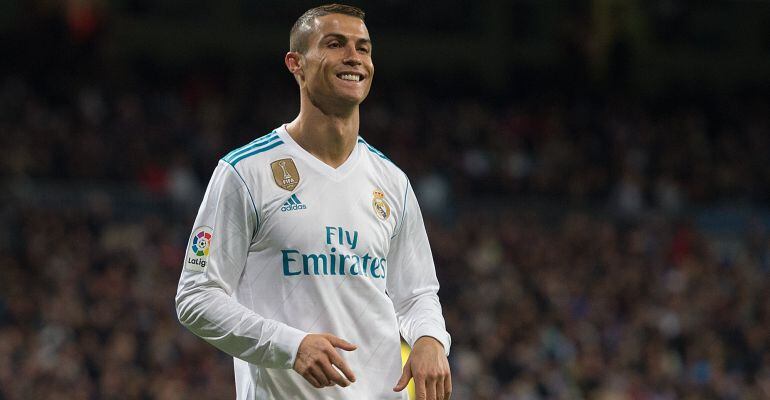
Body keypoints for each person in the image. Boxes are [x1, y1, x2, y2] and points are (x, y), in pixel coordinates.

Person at [175, 4, 451, 399]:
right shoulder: (245, 172)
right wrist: (291, 345)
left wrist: (429, 339)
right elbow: (195, 296)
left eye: (364, 48)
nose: (354, 57)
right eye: (335, 44)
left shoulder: (392, 181)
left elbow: (418, 292)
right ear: (296, 63)